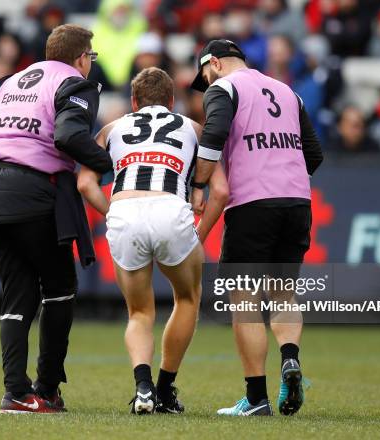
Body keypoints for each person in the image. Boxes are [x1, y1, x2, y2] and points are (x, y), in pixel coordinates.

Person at [0, 24, 113, 414]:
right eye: (90, 58)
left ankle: (15, 392)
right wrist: (109, 165)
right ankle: (46, 389)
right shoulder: (74, 83)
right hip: (33, 192)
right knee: (60, 287)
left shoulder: (11, 83)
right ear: (82, 58)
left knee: (17, 294)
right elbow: (68, 136)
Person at [77, 67, 229, 414]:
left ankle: (143, 388)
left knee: (139, 312)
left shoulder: (112, 128)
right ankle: (165, 389)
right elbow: (219, 191)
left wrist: (113, 214)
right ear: (172, 101)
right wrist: (196, 236)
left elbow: (85, 184)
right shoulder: (193, 128)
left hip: (124, 211)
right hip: (170, 209)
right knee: (187, 299)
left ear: (134, 102)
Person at [189, 39, 323, 416]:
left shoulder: (224, 88)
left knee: (243, 299)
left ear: (214, 63)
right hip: (297, 201)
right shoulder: (288, 92)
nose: (205, 83)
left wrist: (199, 185)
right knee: (283, 294)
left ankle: (256, 398)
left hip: (253, 204)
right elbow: (314, 154)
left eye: (204, 75)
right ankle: (290, 358)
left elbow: (212, 136)